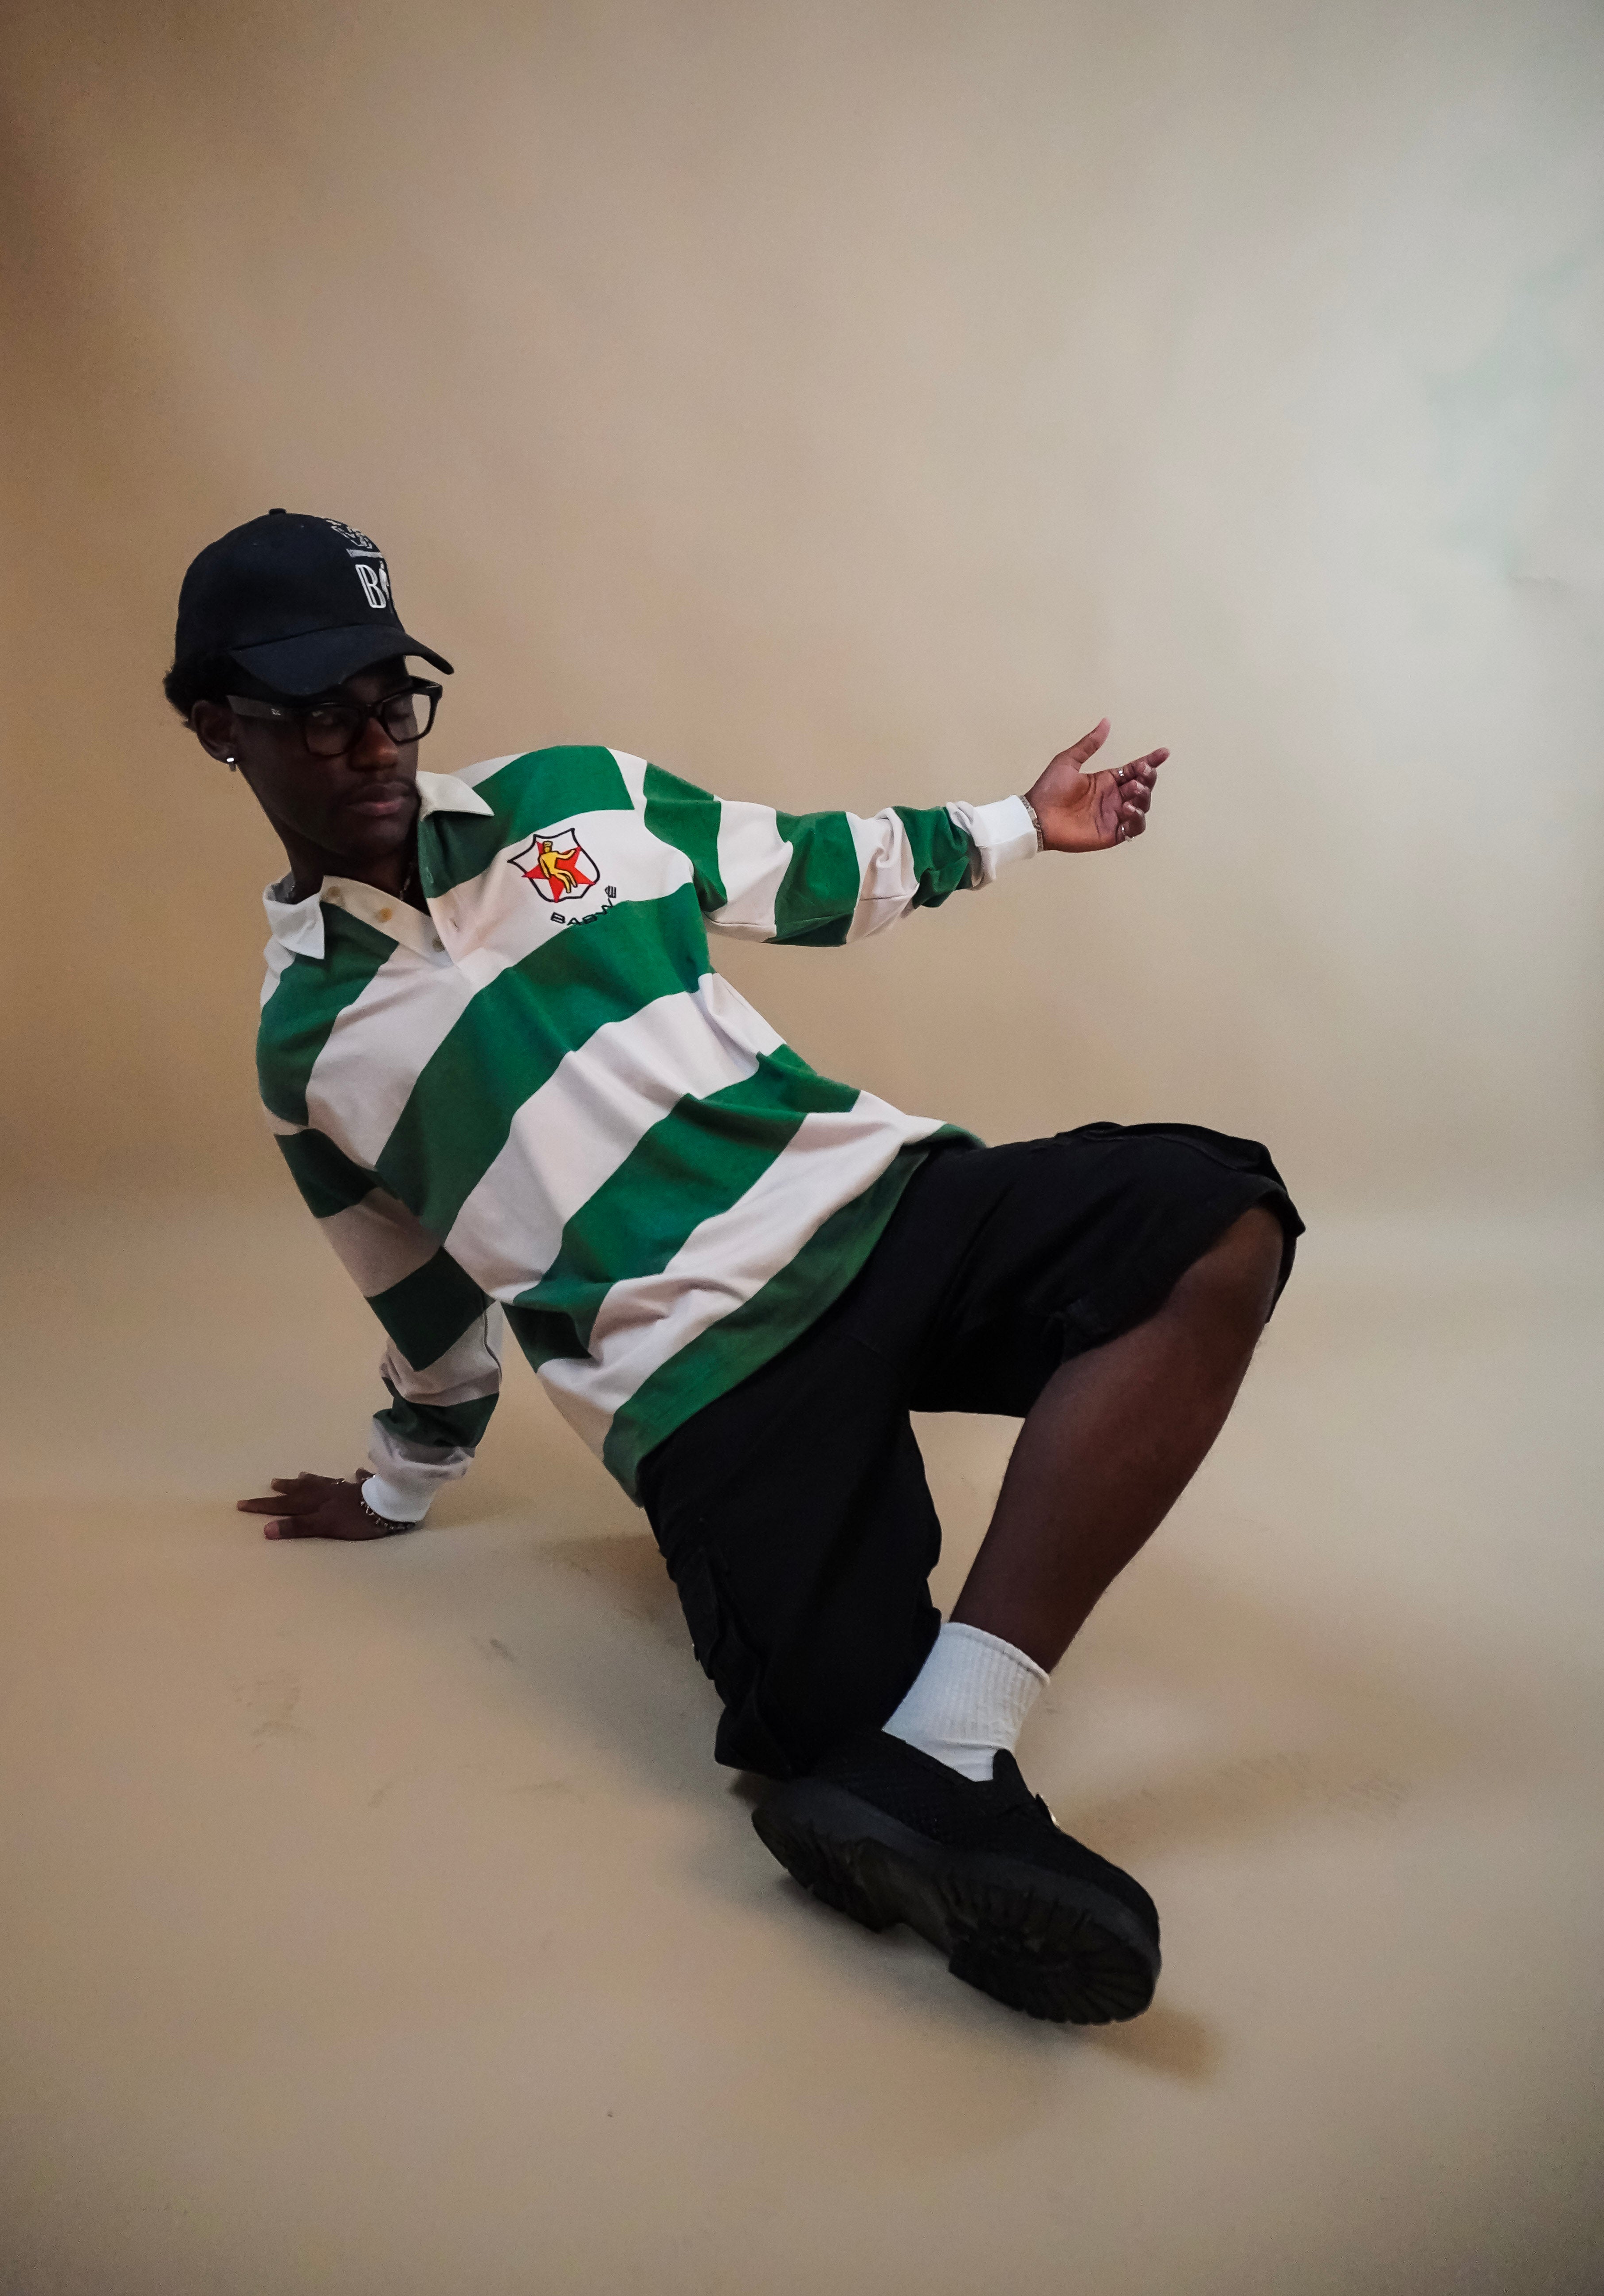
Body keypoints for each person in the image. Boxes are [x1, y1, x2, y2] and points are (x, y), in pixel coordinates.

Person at [171, 508, 1301, 2026]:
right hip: (698, 1387)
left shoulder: (579, 799)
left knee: (1210, 1210)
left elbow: (814, 864)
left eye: (391, 698)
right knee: (823, 1752)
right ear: (212, 727)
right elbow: (421, 1299)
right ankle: (933, 1787)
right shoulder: (303, 1051)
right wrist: (394, 1482)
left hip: (879, 1207)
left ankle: (956, 1738)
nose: (371, 744)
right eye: (317, 715)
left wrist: (1027, 823)